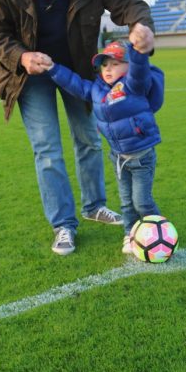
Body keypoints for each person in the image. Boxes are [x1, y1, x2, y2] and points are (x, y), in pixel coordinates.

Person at [0, 0, 155, 255]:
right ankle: (63, 224)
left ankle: (94, 206)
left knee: (88, 138)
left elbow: (128, 5)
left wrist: (140, 25)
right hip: (30, 75)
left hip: (77, 69)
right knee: (47, 149)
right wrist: (21, 56)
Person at [43, 40, 164, 254]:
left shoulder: (134, 85)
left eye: (115, 63)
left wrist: (138, 52)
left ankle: (160, 232)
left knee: (142, 202)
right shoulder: (97, 90)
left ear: (128, 66)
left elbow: (140, 71)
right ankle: (131, 235)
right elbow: (76, 84)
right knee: (127, 204)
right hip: (118, 158)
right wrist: (53, 69)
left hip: (142, 156)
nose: (108, 69)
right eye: (104, 64)